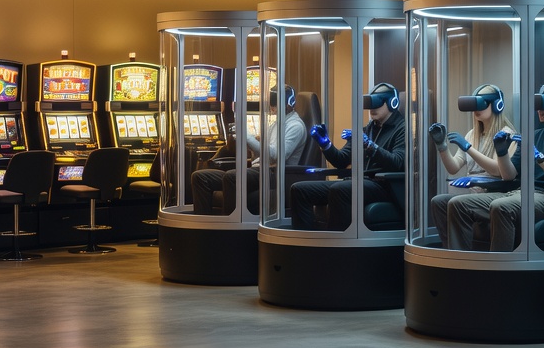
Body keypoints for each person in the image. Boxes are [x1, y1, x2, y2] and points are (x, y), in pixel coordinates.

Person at [444, 81, 544, 252]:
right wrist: (502, 152)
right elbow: (509, 175)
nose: (540, 109)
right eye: (538, 104)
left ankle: (499, 272)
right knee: (457, 204)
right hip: (520, 193)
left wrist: (539, 157)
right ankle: (461, 266)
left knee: (502, 207)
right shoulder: (532, 136)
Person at [288, 82, 407, 231]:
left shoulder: (403, 129)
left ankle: (336, 247)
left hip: (384, 186)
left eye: (376, 104)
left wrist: (369, 145)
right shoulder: (368, 129)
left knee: (340, 189)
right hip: (360, 182)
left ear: (392, 103)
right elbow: (341, 160)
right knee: (300, 190)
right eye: (370, 104)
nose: (371, 109)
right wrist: (324, 143)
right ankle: (305, 245)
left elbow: (397, 162)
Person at [191, 85, 306, 215]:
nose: (272, 107)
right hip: (259, 170)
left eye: (275, 102)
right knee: (200, 177)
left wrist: (248, 137)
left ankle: (230, 228)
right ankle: (204, 228)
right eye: (271, 102)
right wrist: (249, 143)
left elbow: (275, 156)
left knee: (232, 177)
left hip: (274, 174)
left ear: (289, 103)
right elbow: (261, 153)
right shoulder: (277, 123)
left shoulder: (295, 126)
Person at [427, 84, 516, 246]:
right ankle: (454, 253)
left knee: (456, 203)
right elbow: (453, 168)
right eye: (473, 104)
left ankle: (462, 257)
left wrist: (468, 148)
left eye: (481, 103)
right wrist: (442, 146)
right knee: (438, 202)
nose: (476, 109)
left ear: (497, 105)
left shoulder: (506, 134)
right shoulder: (472, 135)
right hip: (472, 194)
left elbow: (498, 170)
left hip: (495, 193)